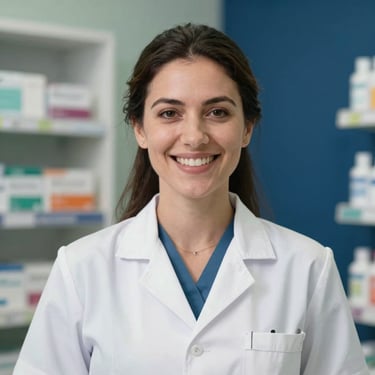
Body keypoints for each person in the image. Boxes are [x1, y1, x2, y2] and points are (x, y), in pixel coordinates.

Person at [13, 23, 368, 375]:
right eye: (170, 113)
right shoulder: (82, 269)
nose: (195, 136)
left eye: (218, 112)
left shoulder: (307, 267)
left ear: (246, 128)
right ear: (140, 128)